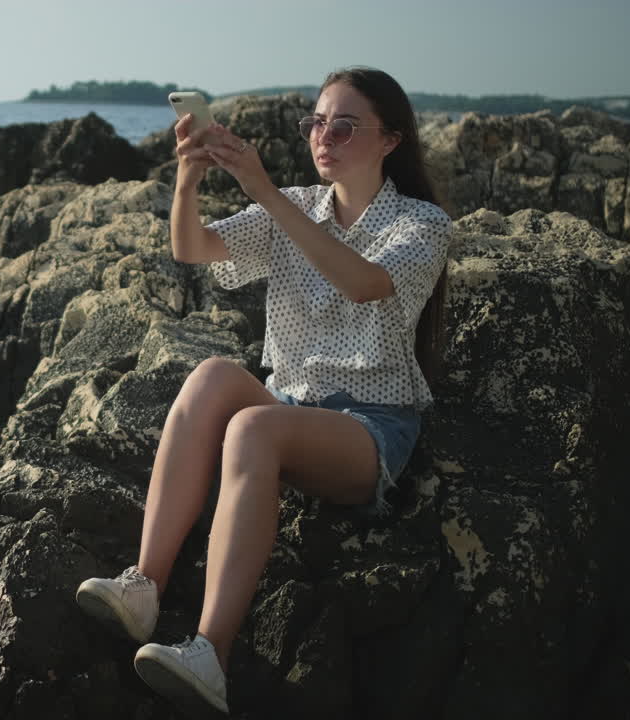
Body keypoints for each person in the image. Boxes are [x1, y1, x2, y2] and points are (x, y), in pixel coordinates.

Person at [74, 66, 451, 716]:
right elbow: (194, 248)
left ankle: (209, 656)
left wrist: (265, 190)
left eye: (344, 123)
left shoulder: (421, 224)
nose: (323, 134)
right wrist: (189, 178)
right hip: (291, 406)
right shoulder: (297, 204)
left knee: (252, 429)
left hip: (369, 427)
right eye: (316, 121)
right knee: (212, 375)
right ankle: (145, 587)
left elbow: (362, 283)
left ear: (390, 139)